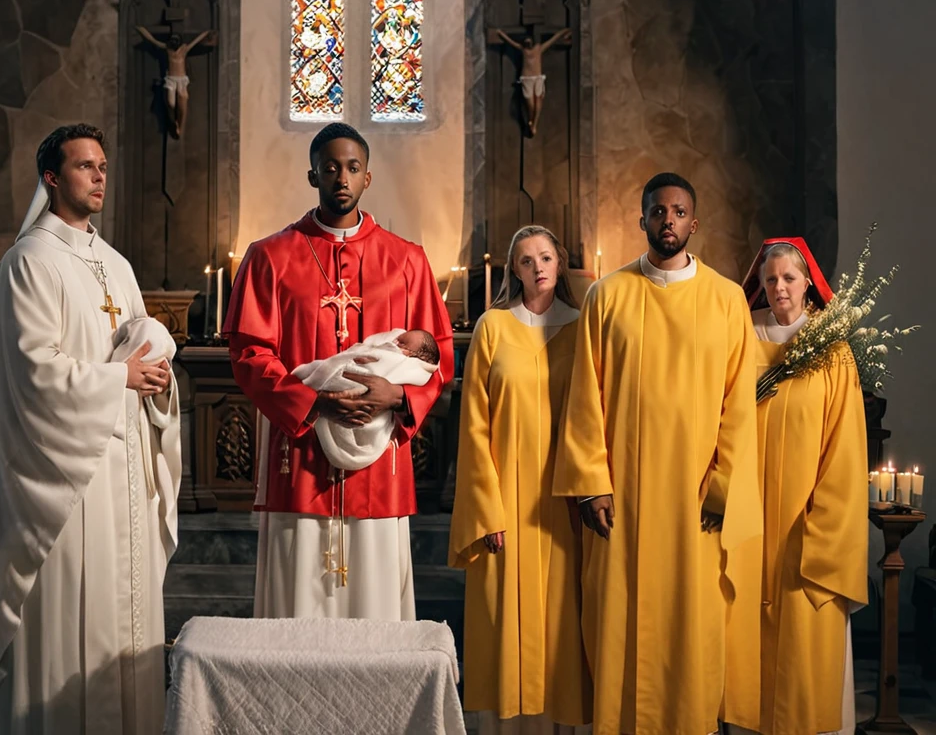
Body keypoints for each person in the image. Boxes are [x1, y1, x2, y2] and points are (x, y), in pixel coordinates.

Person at [0, 124, 179, 734]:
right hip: (62, 482)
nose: (100, 175)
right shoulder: (28, 261)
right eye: (85, 166)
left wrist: (156, 378)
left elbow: (139, 354)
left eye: (104, 165)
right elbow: (31, 372)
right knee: (70, 612)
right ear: (52, 178)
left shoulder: (116, 265)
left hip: (122, 470)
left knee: (120, 613)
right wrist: (120, 380)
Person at [552, 172, 762, 735]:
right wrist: (592, 480)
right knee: (619, 624)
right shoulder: (608, 296)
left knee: (691, 627)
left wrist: (723, 487)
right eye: (657, 211)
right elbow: (584, 398)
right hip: (622, 499)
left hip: (696, 500)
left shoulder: (725, 299)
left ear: (695, 222)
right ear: (641, 219)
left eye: (678, 211)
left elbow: (738, 404)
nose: (668, 221)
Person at [223, 121, 453, 619]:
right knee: (299, 606)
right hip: (301, 454)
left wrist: (396, 398)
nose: (341, 178)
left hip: (380, 460)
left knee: (375, 608)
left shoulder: (407, 260)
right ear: (313, 176)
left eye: (352, 168)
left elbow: (439, 358)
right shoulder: (270, 257)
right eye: (330, 168)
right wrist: (312, 401)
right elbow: (248, 353)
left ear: (368, 177)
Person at [449, 226, 591, 734]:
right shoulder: (493, 327)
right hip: (506, 501)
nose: (538, 267)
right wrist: (486, 510)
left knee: (564, 624)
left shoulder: (584, 328)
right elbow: (474, 426)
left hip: (566, 503)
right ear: (515, 270)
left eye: (546, 257)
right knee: (504, 622)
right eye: (527, 260)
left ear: (561, 262)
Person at [727, 238, 867, 735]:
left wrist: (822, 528)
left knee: (803, 666)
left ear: (808, 283)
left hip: (801, 527)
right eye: (770, 279)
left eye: (789, 278)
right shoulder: (741, 340)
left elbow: (844, 450)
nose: (779, 287)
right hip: (745, 523)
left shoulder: (831, 350)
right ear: (759, 285)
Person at [293, 328, 440, 472]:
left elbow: (433, 367)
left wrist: (398, 395)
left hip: (386, 437)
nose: (396, 343)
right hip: (302, 425)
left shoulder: (417, 340)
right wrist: (308, 400)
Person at [135, 25, 213, 136]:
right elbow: (152, 40)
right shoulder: (167, 48)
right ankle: (172, 121)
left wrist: (206, 32)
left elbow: (195, 41)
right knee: (171, 103)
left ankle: (179, 127)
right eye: (173, 42)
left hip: (181, 79)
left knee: (183, 101)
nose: (174, 45)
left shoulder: (184, 49)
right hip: (171, 79)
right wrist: (140, 29)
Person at [495, 28, 572, 135]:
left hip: (537, 77)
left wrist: (565, 31)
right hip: (527, 78)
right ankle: (531, 121)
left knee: (538, 101)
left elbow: (553, 39)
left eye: (529, 42)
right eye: (526, 43)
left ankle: (534, 124)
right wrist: (501, 33)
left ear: (532, 42)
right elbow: (510, 42)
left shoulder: (538, 48)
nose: (528, 44)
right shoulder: (523, 50)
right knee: (530, 103)